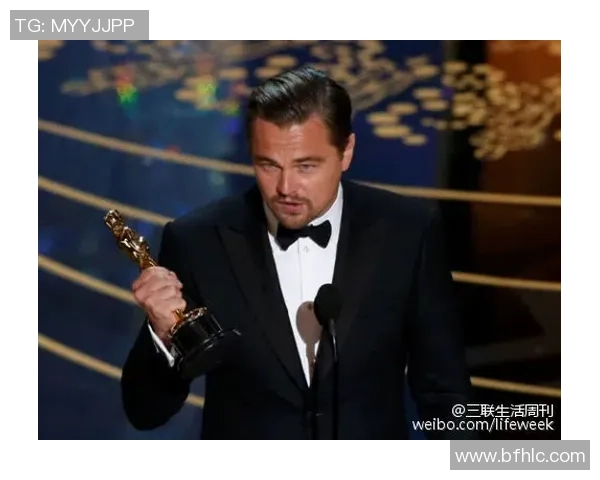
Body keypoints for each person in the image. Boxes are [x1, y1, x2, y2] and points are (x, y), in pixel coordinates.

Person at [120, 65, 475, 440]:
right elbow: (146, 412)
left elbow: (446, 393)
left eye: (306, 166)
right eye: (268, 165)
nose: (286, 187)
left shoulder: (408, 231)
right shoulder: (199, 241)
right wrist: (163, 335)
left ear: (346, 151)